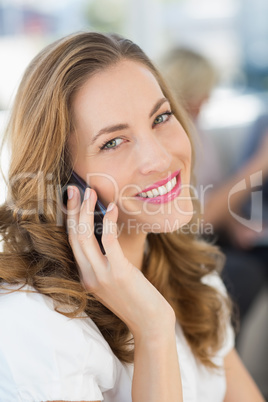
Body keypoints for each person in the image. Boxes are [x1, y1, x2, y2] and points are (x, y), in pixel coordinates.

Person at [0, 32, 264, 402]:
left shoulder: (193, 277)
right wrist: (153, 330)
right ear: (62, 181)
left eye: (161, 117)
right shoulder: (34, 322)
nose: (158, 158)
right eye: (112, 142)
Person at [162, 47, 268, 327]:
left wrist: (240, 227)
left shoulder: (201, 132)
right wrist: (260, 164)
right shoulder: (169, 142)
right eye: (200, 93)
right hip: (191, 238)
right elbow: (200, 218)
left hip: (215, 235)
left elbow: (218, 192)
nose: (206, 100)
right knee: (246, 273)